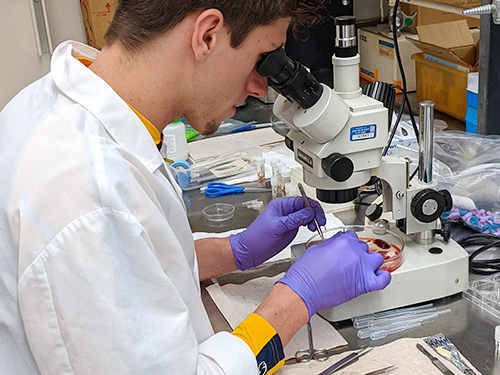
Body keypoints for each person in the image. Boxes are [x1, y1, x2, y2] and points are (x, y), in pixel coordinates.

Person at [0, 1, 391, 374]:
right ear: (207, 35)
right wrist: (296, 300)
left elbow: (135, 265)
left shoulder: (50, 102)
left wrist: (233, 251)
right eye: (263, 59)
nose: (260, 87)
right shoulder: (87, 194)